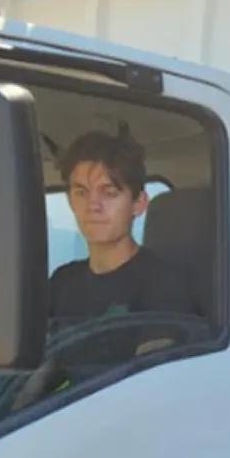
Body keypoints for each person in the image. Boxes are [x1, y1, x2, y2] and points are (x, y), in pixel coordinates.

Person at [49, 129, 197, 320]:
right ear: (70, 201)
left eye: (109, 193)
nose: (93, 206)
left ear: (138, 203)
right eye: (81, 193)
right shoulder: (62, 282)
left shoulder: (162, 285)